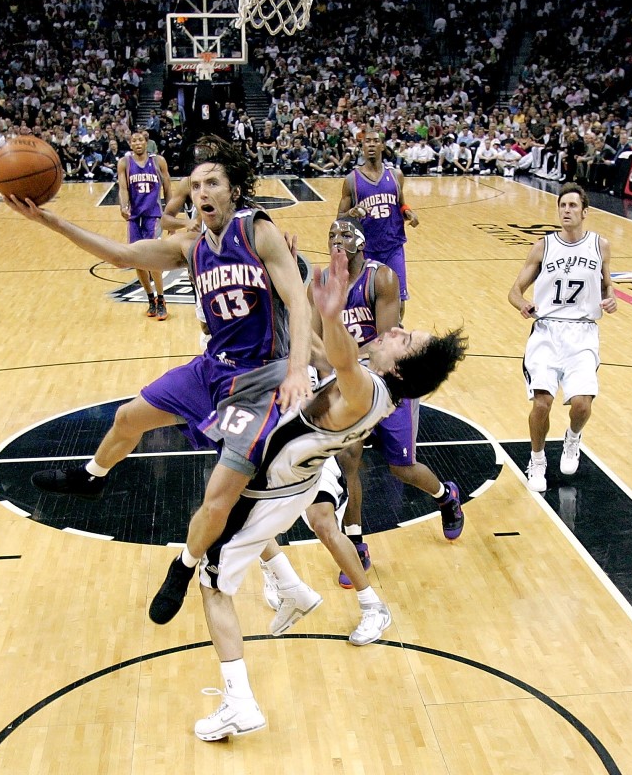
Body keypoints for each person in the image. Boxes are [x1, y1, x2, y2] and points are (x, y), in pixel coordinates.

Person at [5, 135, 313, 619]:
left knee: (217, 498)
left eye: (212, 182)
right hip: (211, 369)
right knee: (128, 418)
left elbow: (297, 298)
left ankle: (184, 566)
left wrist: (297, 371)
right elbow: (124, 256)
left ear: (234, 191)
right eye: (195, 186)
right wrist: (53, 222)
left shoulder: (259, 232)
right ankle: (92, 477)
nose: (202, 192)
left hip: (259, 382)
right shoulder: (191, 246)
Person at [188, 244, 467, 741]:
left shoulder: (368, 391)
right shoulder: (371, 383)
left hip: (272, 492)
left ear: (399, 368)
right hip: (288, 483)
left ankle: (240, 702)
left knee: (212, 583)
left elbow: (337, 356)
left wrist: (334, 314)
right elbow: (321, 352)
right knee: (235, 536)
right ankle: (291, 590)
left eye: (403, 338)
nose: (395, 329)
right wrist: (294, 294)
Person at [309, 216, 463, 588]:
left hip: (387, 381)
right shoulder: (327, 281)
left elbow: (385, 345)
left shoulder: (382, 278)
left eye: (344, 233)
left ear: (360, 242)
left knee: (402, 468)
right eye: (330, 234)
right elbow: (312, 337)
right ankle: (356, 542)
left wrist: (338, 353)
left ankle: (445, 496)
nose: (336, 240)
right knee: (349, 460)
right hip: (348, 378)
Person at [507, 182, 617, 492]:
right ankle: (537, 459)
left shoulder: (601, 246)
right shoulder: (543, 246)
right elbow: (514, 292)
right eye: (562, 206)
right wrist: (524, 304)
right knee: (542, 402)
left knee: (581, 404)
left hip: (582, 333)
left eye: (572, 206)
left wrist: (611, 299)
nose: (566, 211)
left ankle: (572, 438)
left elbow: (608, 286)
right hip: (546, 330)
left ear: (585, 212)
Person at [338, 130, 419, 319]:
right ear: (363, 147)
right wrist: (351, 213)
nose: (372, 145)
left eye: (376, 141)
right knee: (366, 304)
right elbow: (340, 218)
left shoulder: (396, 175)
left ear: (383, 146)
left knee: (398, 302)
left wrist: (408, 212)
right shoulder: (351, 180)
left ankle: (394, 341)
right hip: (366, 251)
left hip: (393, 247)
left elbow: (401, 203)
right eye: (368, 142)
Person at [117, 131, 172, 319]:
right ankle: (150, 298)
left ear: (146, 143)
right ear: (130, 144)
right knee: (136, 260)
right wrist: (123, 206)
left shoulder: (158, 161)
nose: (138, 143)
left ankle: (162, 299)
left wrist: (170, 215)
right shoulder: (124, 163)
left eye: (140, 139)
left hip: (153, 215)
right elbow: (123, 188)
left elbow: (168, 188)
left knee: (153, 258)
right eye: (134, 140)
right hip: (134, 217)